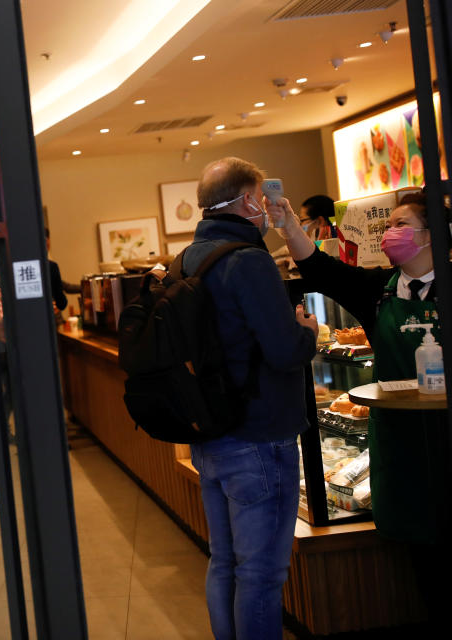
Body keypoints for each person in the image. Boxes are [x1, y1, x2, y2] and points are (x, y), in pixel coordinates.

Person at [267, 190, 451, 632]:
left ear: (434, 237)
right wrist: (289, 224)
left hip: (448, 437)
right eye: (389, 225)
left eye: (401, 225)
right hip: (403, 447)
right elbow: (320, 269)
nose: (390, 234)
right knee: (426, 564)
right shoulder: (378, 293)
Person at [183, 157, 318, 640]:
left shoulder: (189, 257)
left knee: (224, 563)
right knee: (261, 575)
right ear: (247, 202)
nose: (265, 207)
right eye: (262, 198)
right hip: (261, 434)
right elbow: (283, 351)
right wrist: (309, 333)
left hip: (213, 432)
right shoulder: (248, 259)